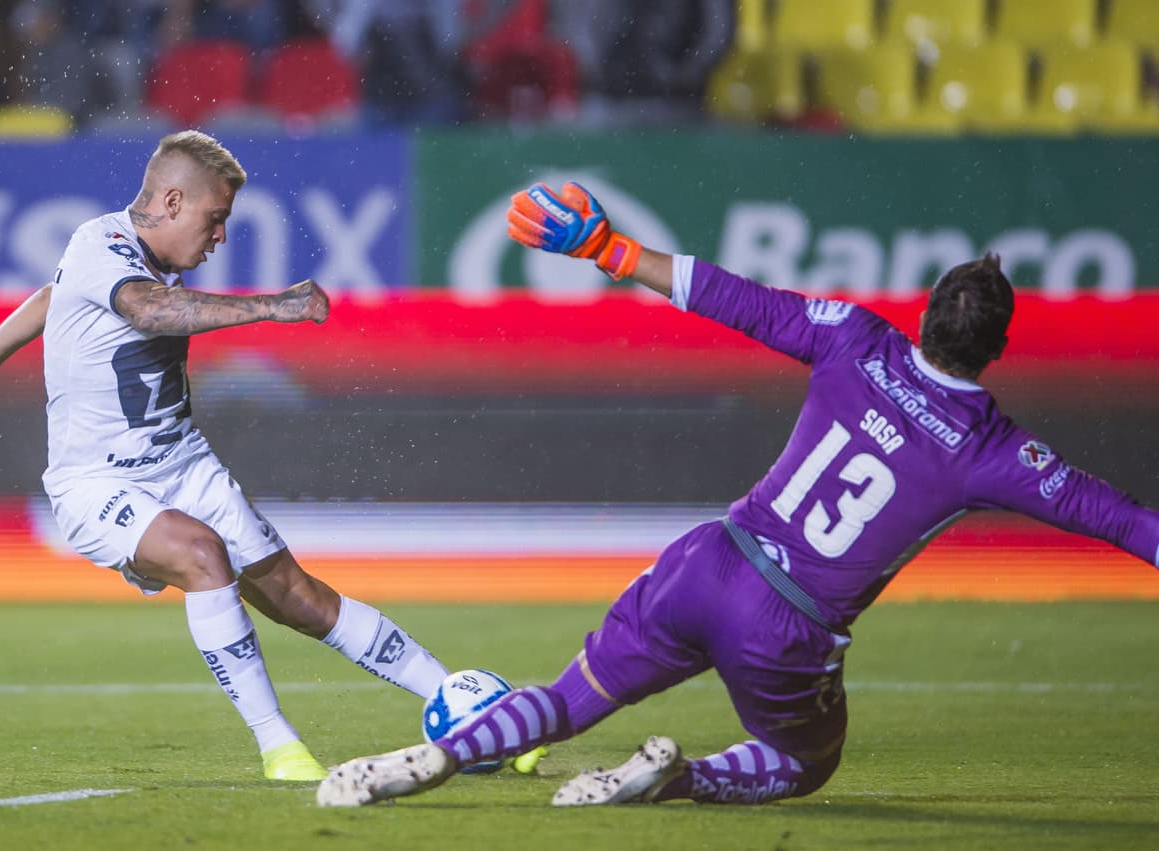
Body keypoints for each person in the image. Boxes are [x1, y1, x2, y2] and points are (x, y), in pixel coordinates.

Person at [316, 181, 1159, 807]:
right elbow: (1116, 517)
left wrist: (612, 251)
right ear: (997, 348)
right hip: (786, 625)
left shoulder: (857, 338)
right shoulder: (991, 448)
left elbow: (736, 301)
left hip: (710, 560)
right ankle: (679, 777)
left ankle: (435, 757)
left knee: (568, 700)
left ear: (925, 313)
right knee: (805, 762)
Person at [0, 130, 455, 783]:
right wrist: (273, 305)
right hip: (96, 483)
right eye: (216, 218)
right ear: (172, 201)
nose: (221, 236)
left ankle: (462, 704)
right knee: (203, 555)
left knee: (298, 596)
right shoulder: (104, 244)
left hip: (185, 464)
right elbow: (149, 312)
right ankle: (281, 750)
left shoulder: (125, 259)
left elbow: (52, 295)